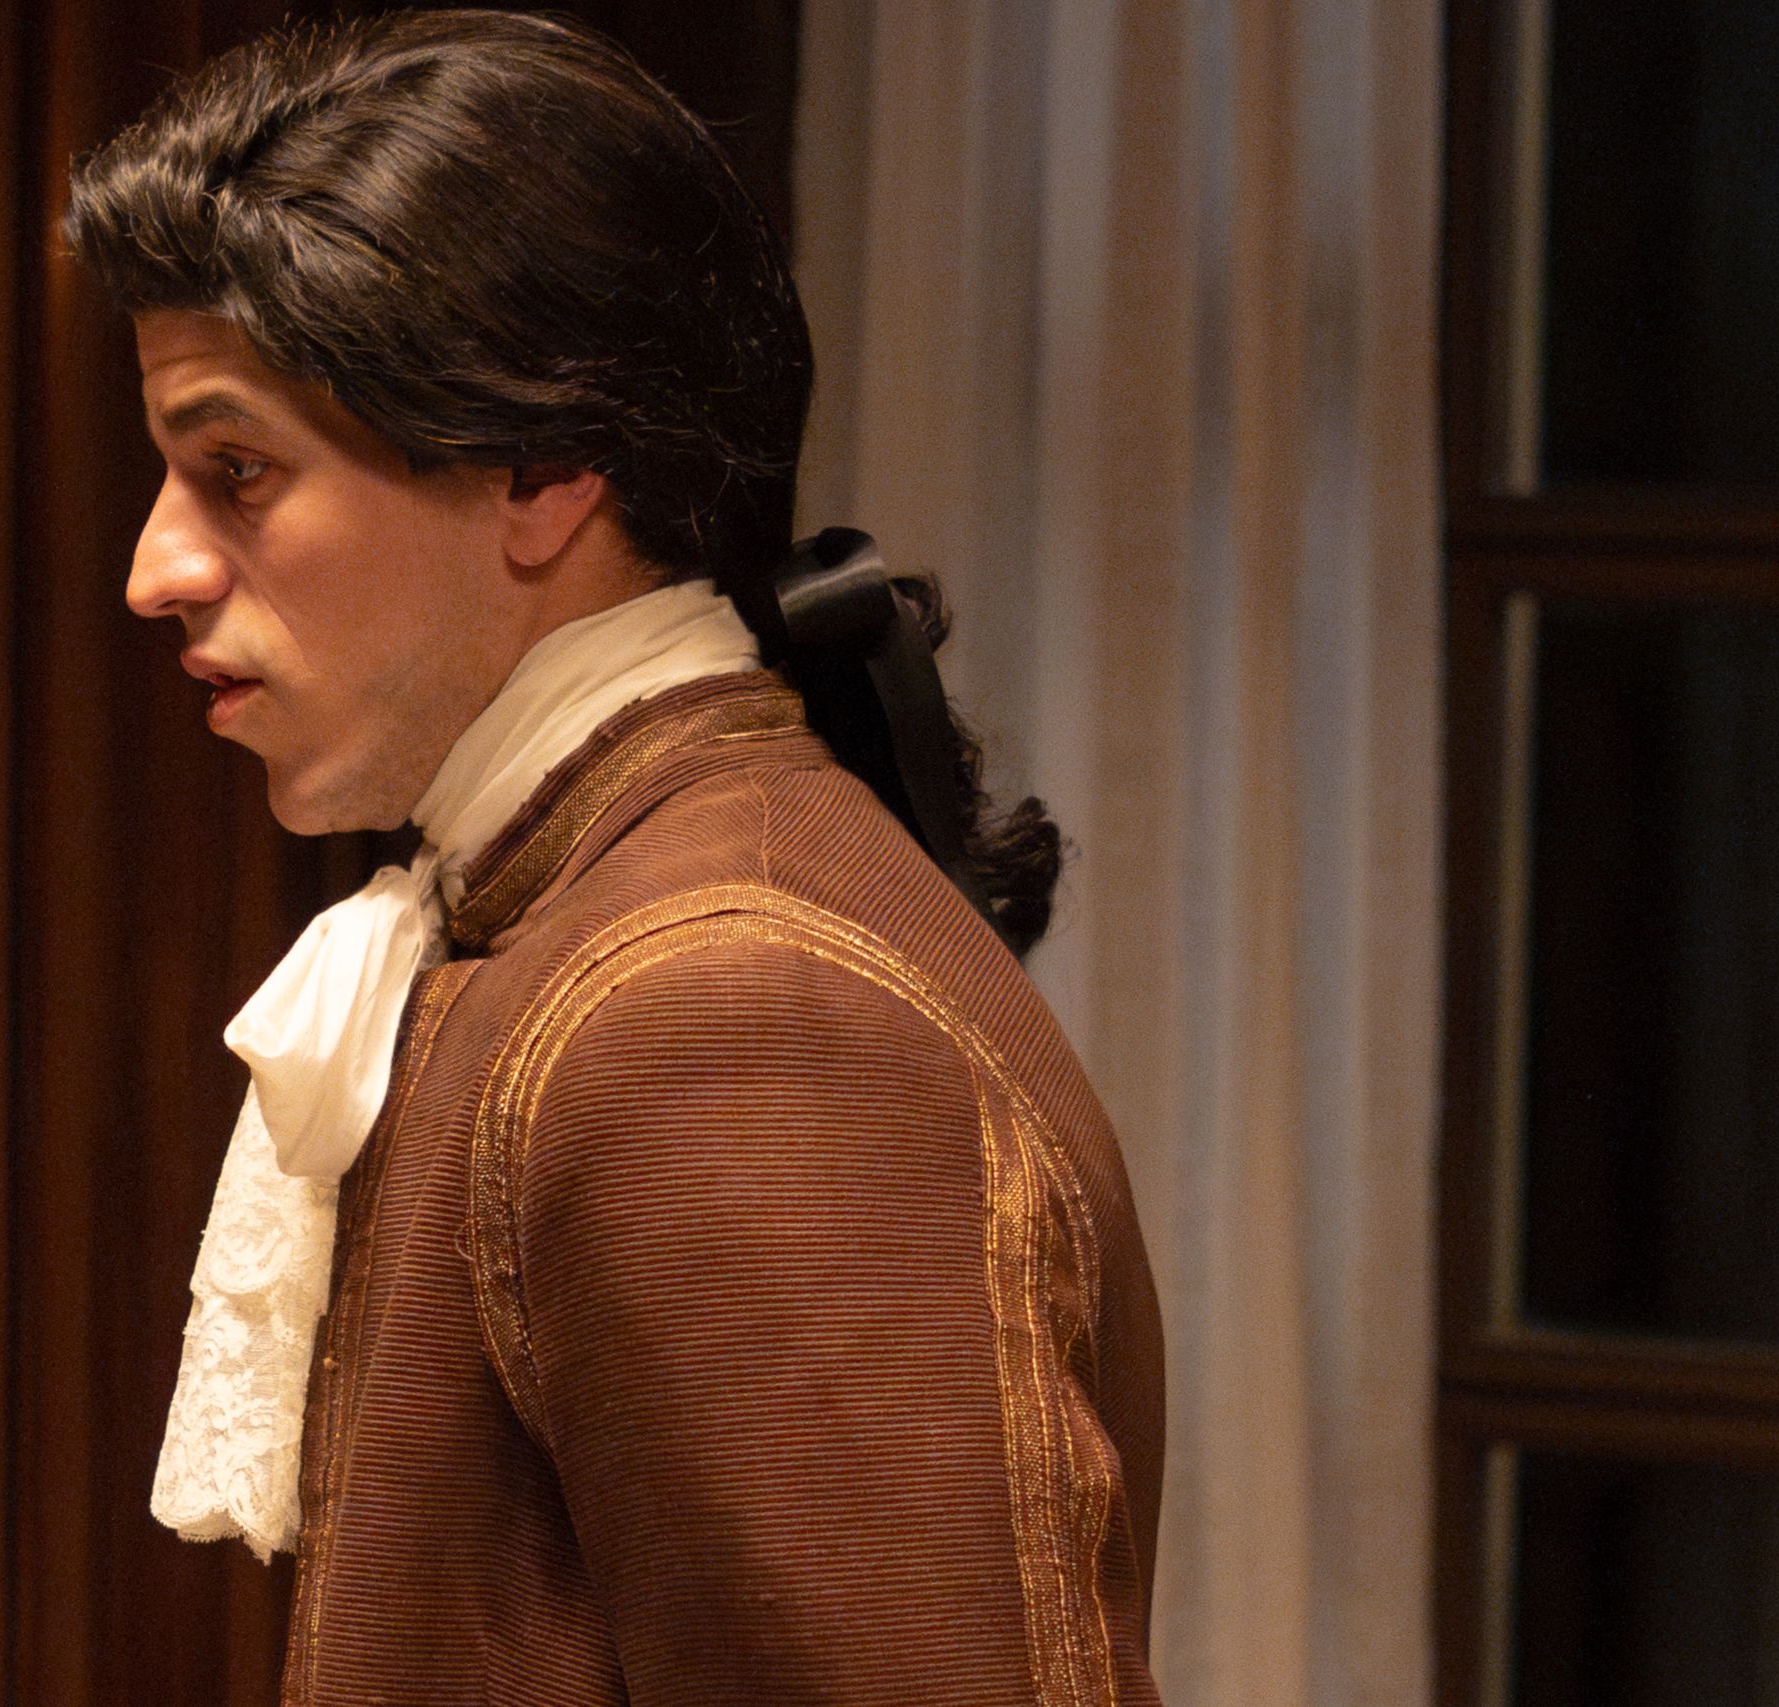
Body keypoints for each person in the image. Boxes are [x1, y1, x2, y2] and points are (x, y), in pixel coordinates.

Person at [67, 11, 1164, 1704]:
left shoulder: (719, 1007)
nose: (158, 569)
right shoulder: (586, 917)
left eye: (240, 471)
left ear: (545, 468)